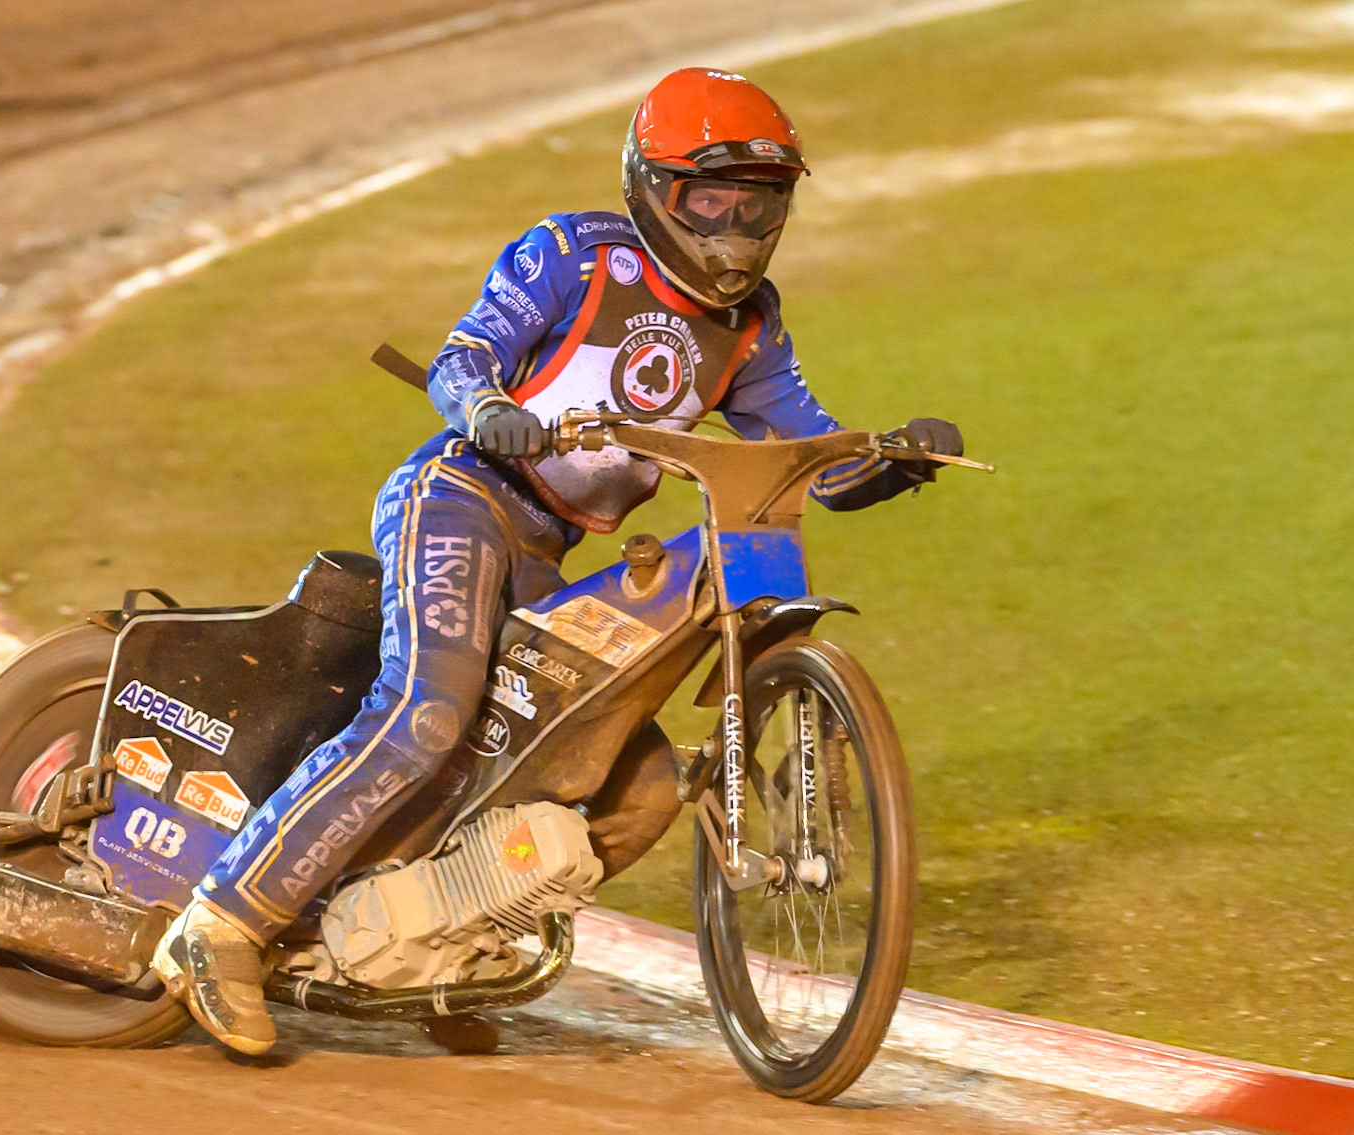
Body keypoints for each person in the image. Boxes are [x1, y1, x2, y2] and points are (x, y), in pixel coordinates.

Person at [151, 67, 964, 1054]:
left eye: (760, 203)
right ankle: (220, 923)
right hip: (460, 498)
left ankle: (434, 951)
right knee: (430, 708)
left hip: (547, 555)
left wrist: (891, 461)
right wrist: (492, 413)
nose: (736, 225)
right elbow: (463, 359)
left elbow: (807, 457)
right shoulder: (571, 257)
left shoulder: (750, 326)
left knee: (643, 788)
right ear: (656, 188)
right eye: (713, 198)